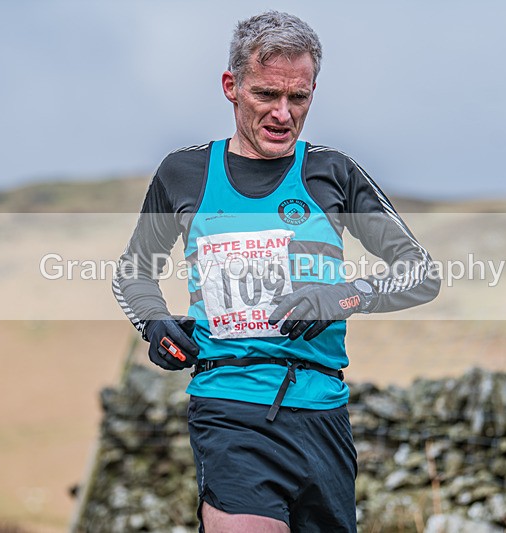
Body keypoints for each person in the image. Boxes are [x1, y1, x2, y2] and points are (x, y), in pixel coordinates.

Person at [113, 10, 440, 532]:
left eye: (299, 98)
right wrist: (155, 324)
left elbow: (420, 272)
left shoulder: (332, 172)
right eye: (267, 95)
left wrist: (344, 296)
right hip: (229, 406)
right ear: (231, 86)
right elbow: (132, 274)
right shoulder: (184, 173)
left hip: (323, 414)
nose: (283, 114)